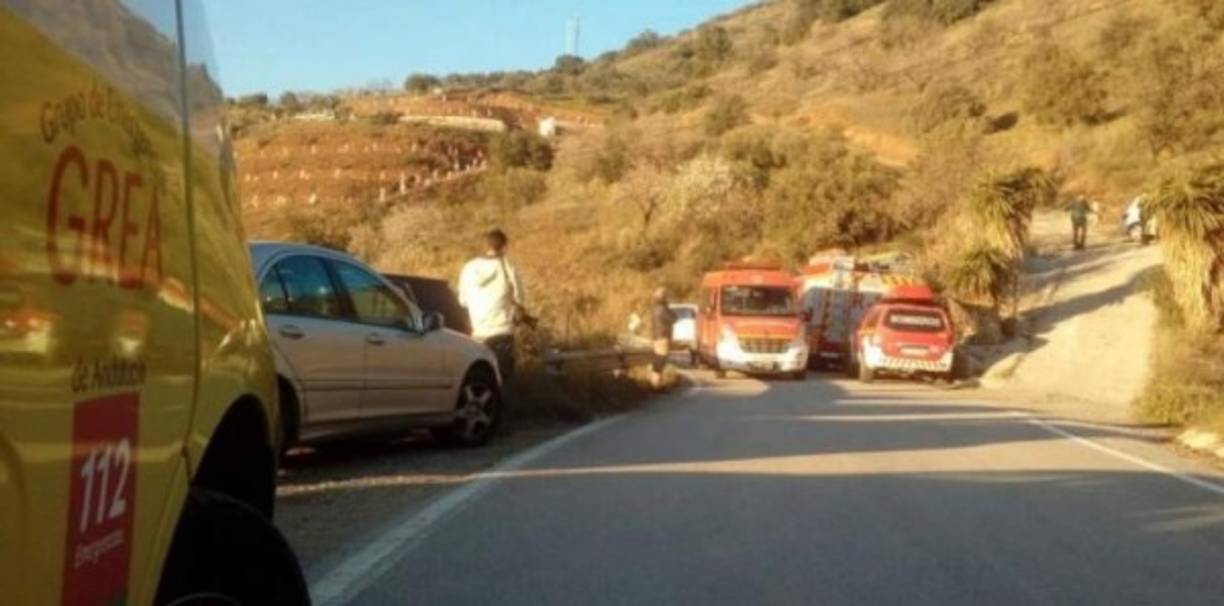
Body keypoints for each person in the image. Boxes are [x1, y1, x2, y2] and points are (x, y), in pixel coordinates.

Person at [458, 228, 527, 382]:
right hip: (502, 332)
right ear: (504, 246)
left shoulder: (469, 268)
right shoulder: (509, 268)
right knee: (503, 379)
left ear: (486, 245)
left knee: (480, 380)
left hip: (477, 334)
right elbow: (519, 301)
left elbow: (462, 301)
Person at [649, 287, 676, 391]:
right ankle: (656, 385)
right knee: (661, 361)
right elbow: (674, 318)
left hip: (656, 337)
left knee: (658, 361)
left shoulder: (653, 308)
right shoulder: (663, 309)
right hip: (663, 337)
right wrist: (668, 307)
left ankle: (655, 383)